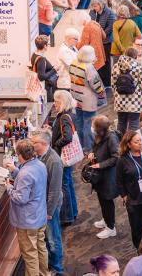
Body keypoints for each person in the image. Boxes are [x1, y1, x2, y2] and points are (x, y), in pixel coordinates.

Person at [5, 139, 49, 276]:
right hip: (40, 216)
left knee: (30, 255)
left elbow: (21, 198)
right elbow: (32, 183)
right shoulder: (40, 165)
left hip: (28, 221)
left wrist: (9, 188)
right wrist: (15, 171)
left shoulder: (25, 173)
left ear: (19, 155)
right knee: (41, 248)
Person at [30, 129, 65, 274]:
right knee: (46, 237)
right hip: (42, 203)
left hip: (50, 206)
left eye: (34, 143)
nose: (31, 145)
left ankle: (57, 268)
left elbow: (55, 190)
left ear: (44, 143)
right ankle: (49, 263)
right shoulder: (39, 156)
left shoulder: (54, 161)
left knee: (52, 238)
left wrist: (49, 212)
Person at [87, 115, 120, 239]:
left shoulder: (112, 138)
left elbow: (116, 157)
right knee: (101, 198)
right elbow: (95, 147)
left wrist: (100, 165)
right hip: (100, 175)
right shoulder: (100, 136)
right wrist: (91, 153)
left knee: (107, 201)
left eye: (93, 126)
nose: (91, 128)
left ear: (99, 128)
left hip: (108, 176)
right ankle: (106, 219)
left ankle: (111, 227)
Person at [50, 91, 79, 226]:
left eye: (56, 101)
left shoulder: (64, 117)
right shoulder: (70, 113)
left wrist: (56, 144)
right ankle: (73, 212)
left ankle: (67, 217)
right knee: (68, 184)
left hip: (63, 156)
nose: (54, 104)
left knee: (64, 186)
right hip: (68, 157)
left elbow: (67, 137)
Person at [69, 45, 105, 152]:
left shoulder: (73, 63)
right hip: (88, 100)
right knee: (89, 124)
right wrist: (101, 94)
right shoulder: (88, 67)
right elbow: (96, 84)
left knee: (79, 122)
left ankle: (80, 145)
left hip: (76, 98)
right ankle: (89, 147)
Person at [113, 47, 142, 134]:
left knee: (121, 123)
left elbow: (113, 84)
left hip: (120, 101)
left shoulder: (116, 66)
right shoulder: (137, 67)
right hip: (135, 102)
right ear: (135, 57)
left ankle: (120, 143)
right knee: (134, 123)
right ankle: (132, 144)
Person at [90, 0, 116, 88]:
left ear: (100, 5)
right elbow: (90, 21)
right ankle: (100, 81)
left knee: (106, 61)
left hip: (106, 41)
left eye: (95, 6)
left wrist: (101, 34)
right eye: (93, 6)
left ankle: (107, 83)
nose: (94, 8)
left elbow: (110, 27)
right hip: (96, 41)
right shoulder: (93, 12)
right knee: (97, 60)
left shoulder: (110, 13)